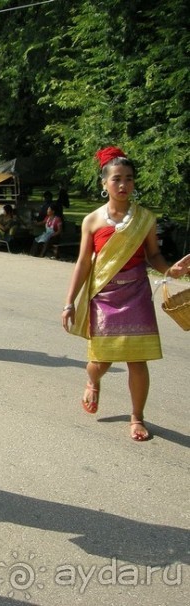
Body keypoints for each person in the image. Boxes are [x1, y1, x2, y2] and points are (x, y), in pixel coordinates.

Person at [62, 147, 190, 441]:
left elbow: (153, 257)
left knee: (137, 359)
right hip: (103, 297)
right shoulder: (92, 221)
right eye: (117, 179)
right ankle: (92, 380)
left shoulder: (145, 218)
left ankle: (137, 417)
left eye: (129, 179)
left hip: (136, 294)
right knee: (102, 361)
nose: (123, 185)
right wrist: (69, 302)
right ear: (104, 183)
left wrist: (171, 270)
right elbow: (83, 263)